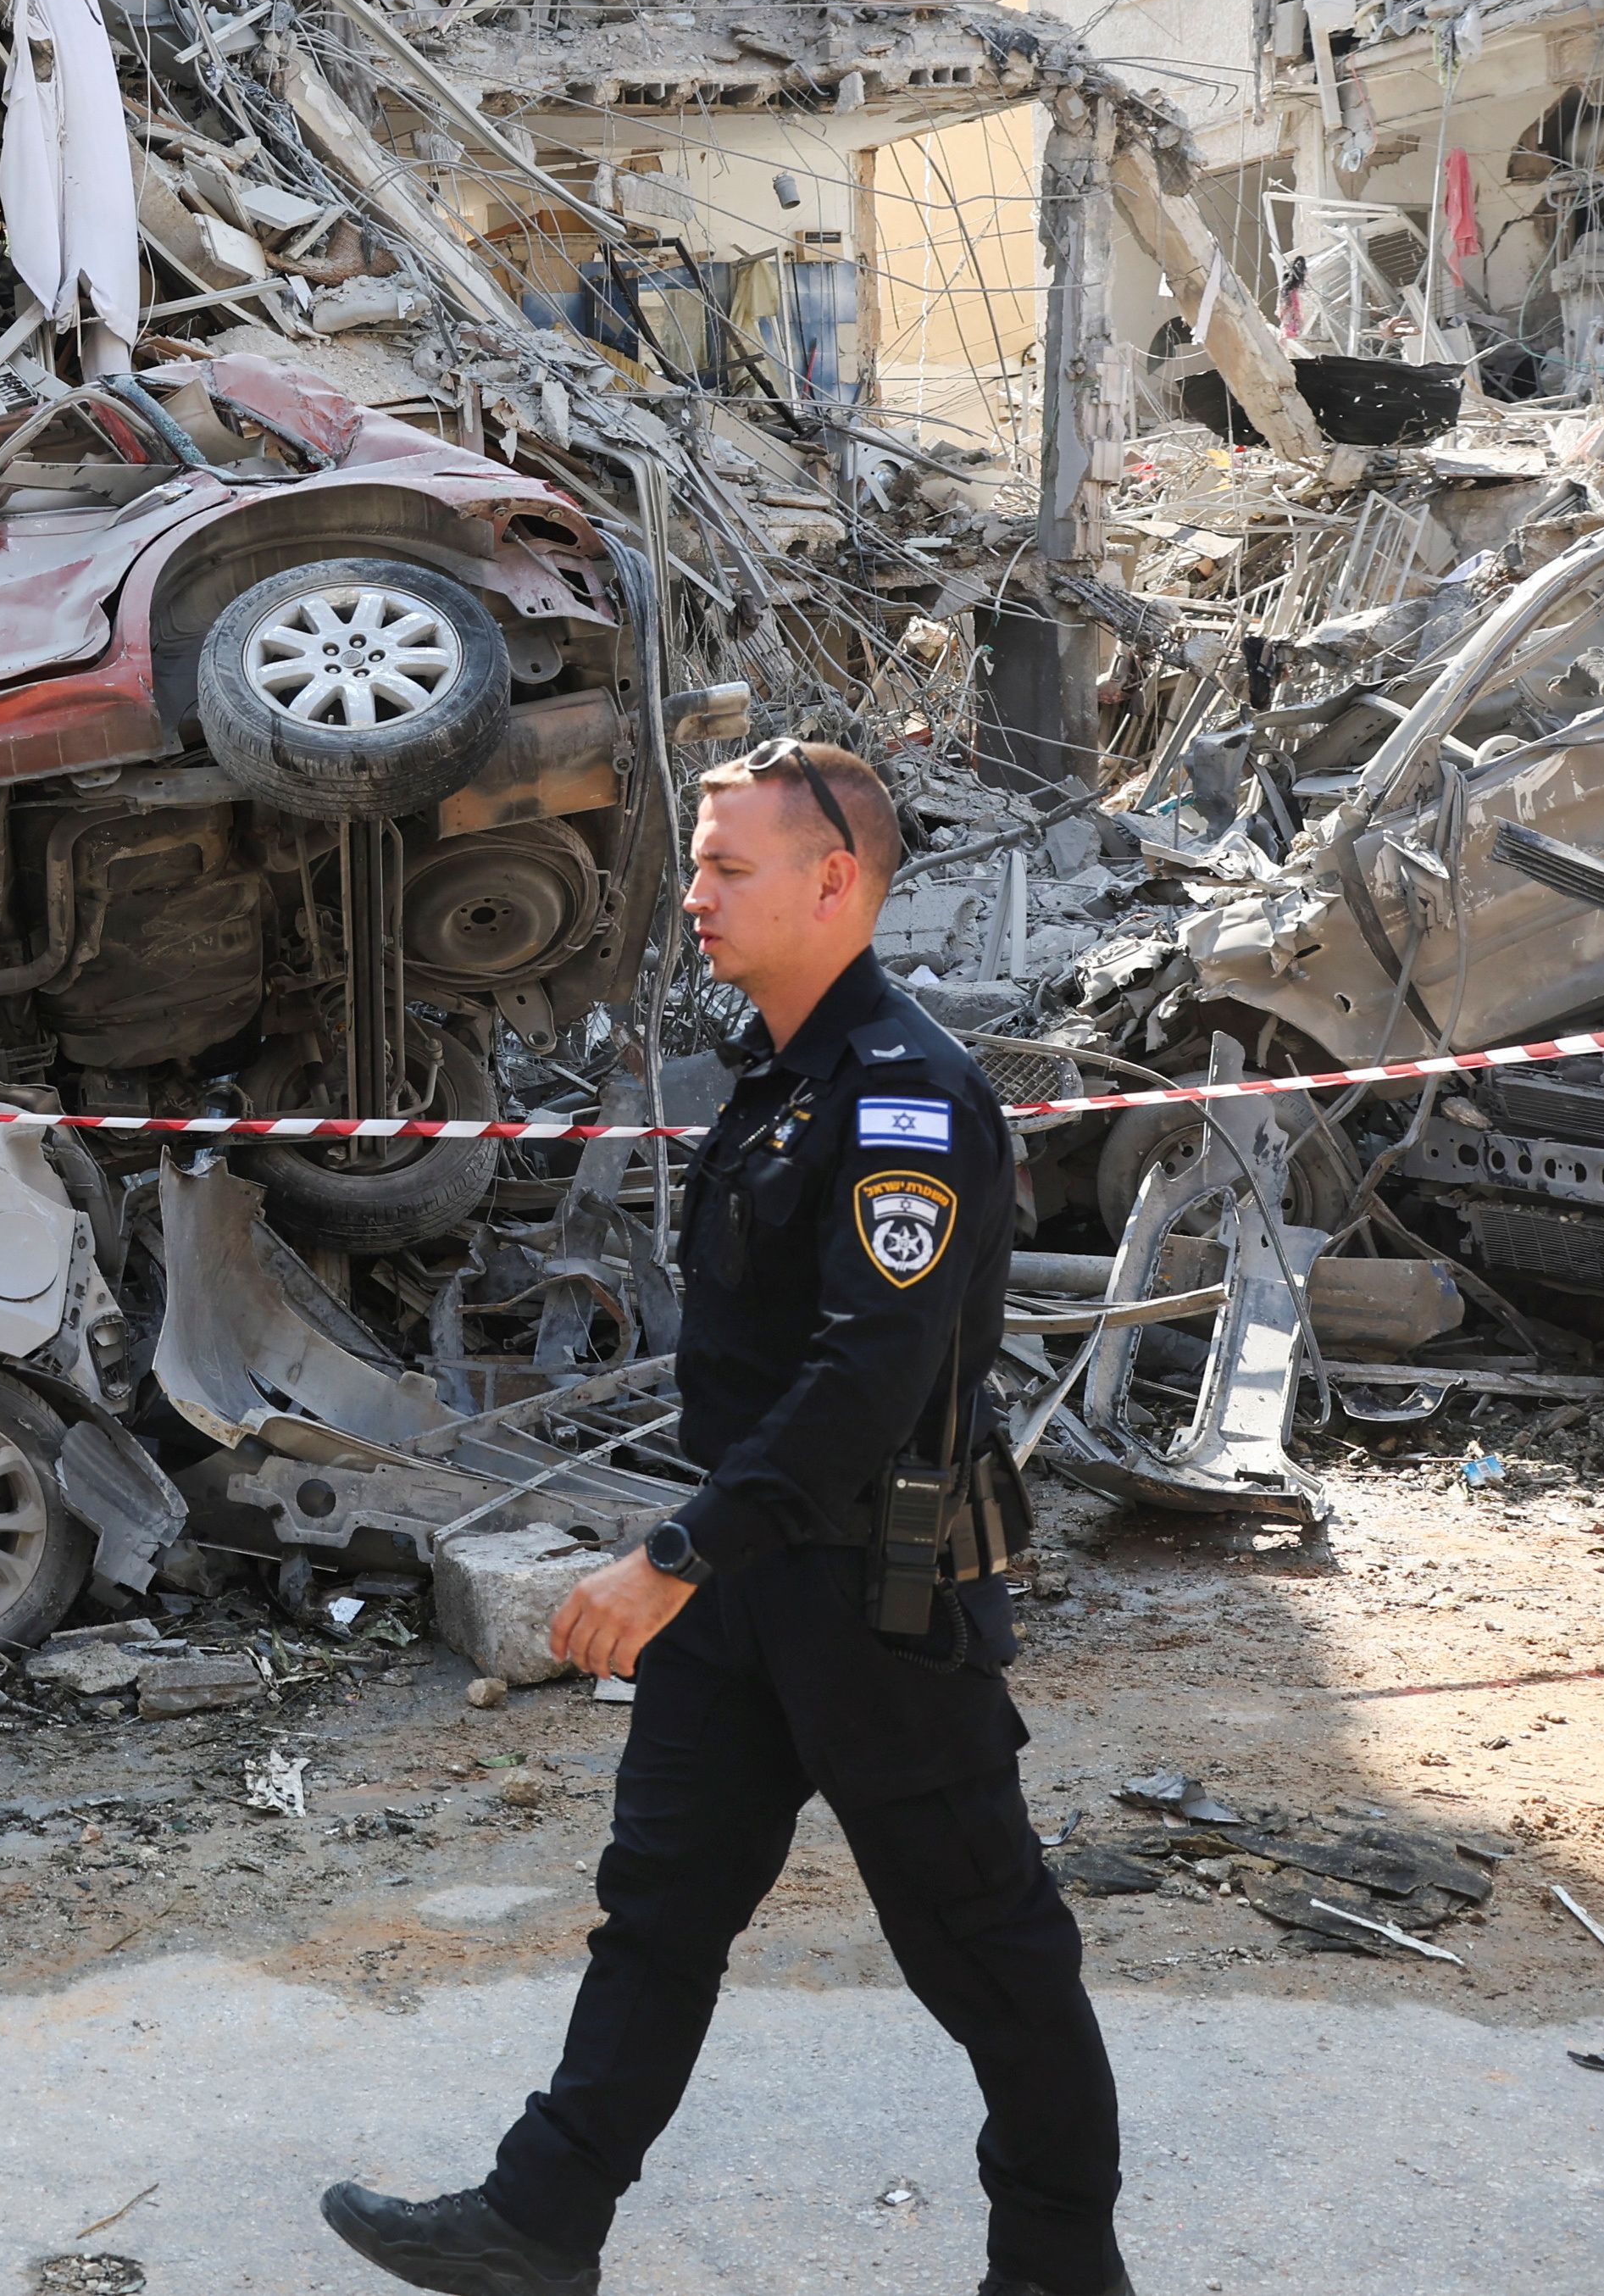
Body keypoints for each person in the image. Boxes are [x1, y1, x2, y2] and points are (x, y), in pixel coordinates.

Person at [319, 738, 1129, 2296]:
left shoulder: (905, 1094)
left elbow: (865, 1380)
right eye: (694, 863)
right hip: (748, 1586)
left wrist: (673, 1554)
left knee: (991, 1958)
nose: (692, 894)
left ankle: (1059, 2269)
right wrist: (706, 1562)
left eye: (726, 868)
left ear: (836, 883)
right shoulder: (780, 1078)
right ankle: (536, 2224)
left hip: (876, 1603)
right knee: (660, 1912)